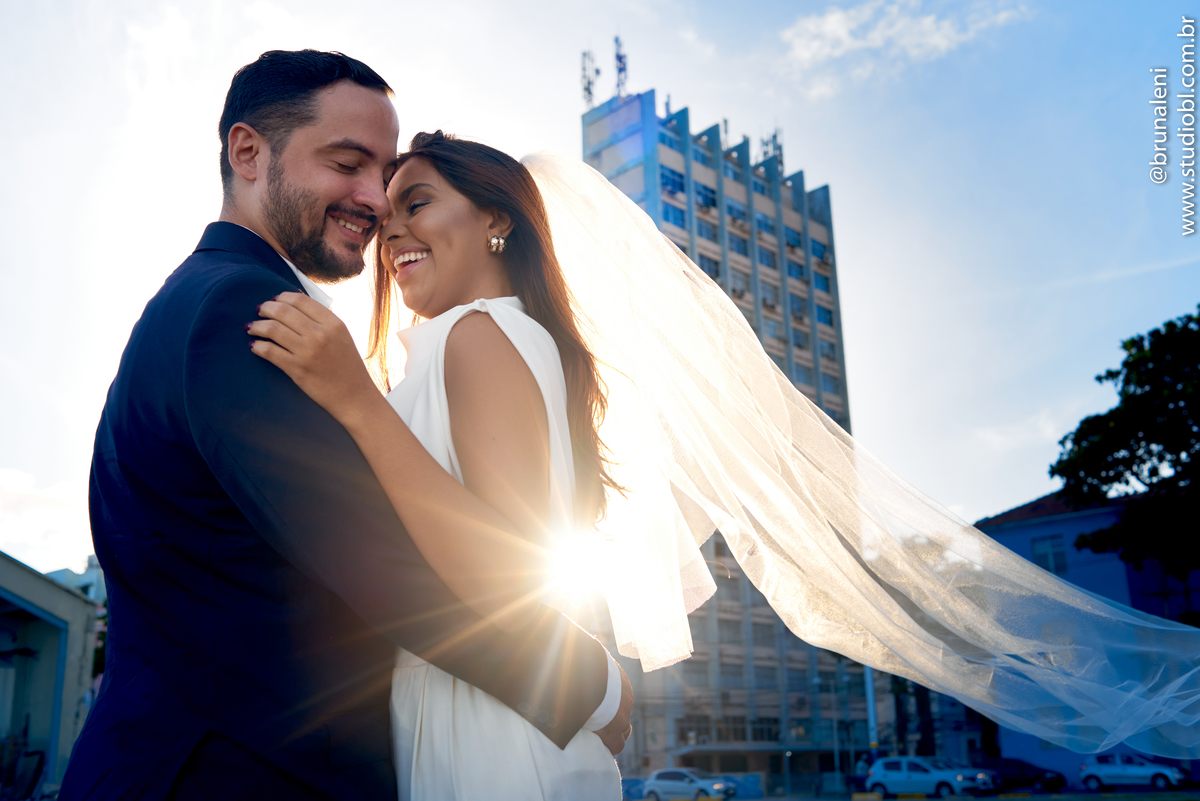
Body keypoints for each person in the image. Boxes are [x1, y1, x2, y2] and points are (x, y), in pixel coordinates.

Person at [254, 136, 1200, 763]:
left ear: (497, 218)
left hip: (490, 716)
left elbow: (502, 568)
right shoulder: (500, 343)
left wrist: (356, 406)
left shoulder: (481, 336)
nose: (394, 233)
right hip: (490, 700)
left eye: (418, 201)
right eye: (386, 220)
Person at [60, 50, 630, 801]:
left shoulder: (221, 300)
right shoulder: (243, 311)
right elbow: (388, 571)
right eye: (347, 163)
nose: (374, 199)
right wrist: (592, 688)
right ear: (248, 152)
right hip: (233, 773)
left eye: (388, 174)